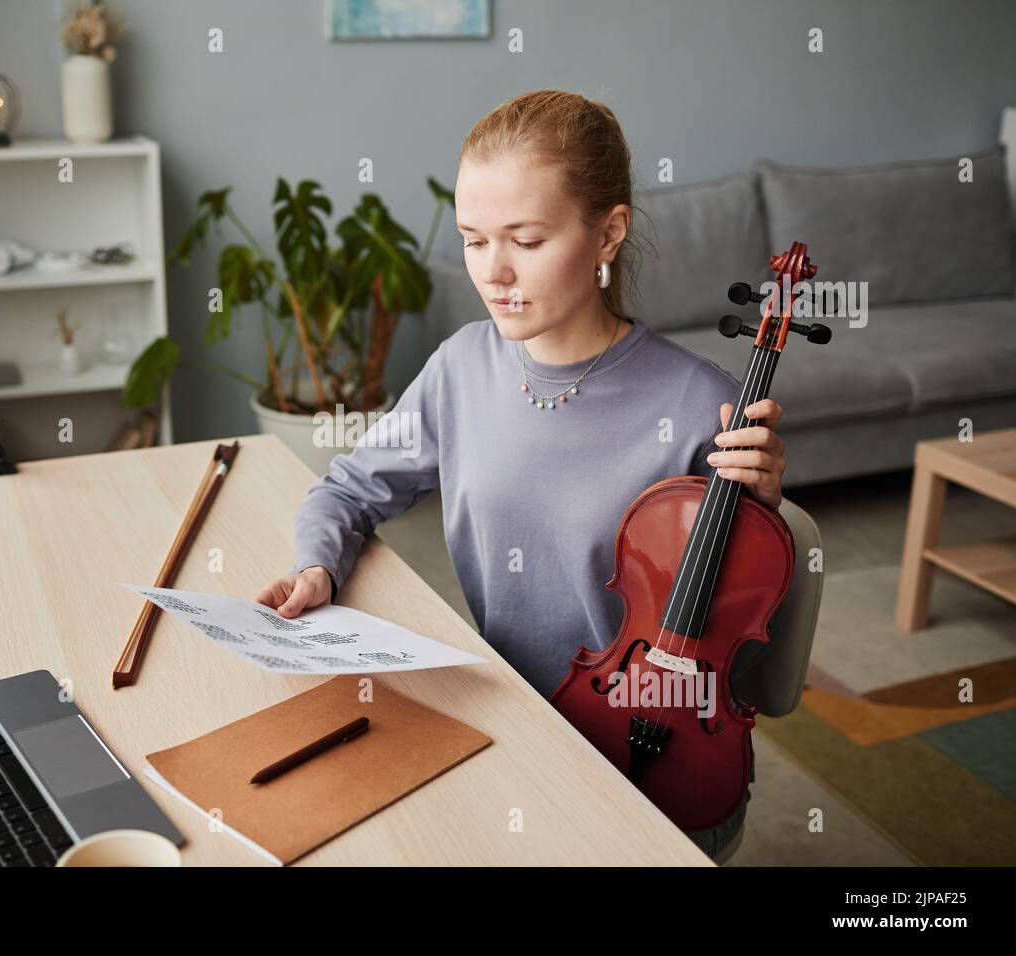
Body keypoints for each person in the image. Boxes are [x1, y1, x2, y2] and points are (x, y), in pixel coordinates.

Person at [254, 90, 786, 858]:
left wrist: (763, 510)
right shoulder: (462, 367)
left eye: (526, 240)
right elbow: (349, 487)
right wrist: (317, 565)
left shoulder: (704, 403)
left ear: (608, 232)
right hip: (505, 721)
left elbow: (743, 654)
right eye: (474, 240)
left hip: (655, 758)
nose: (494, 272)